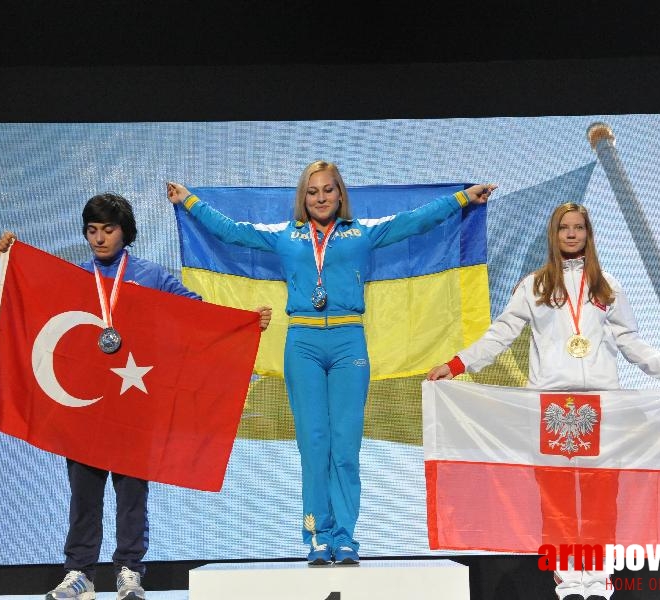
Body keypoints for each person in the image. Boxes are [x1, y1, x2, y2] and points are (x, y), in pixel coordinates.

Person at [167, 161, 497, 565]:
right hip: (302, 342)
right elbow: (232, 232)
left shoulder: (363, 233)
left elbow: (415, 221)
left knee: (344, 447)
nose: (321, 198)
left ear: (340, 194)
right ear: (302, 198)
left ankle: (345, 538)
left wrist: (462, 198)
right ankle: (317, 536)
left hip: (348, 343)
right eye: (312, 191)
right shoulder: (285, 236)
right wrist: (190, 201)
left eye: (328, 190)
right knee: (314, 445)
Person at [427, 201, 660, 600]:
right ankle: (567, 578)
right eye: (565, 227)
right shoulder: (535, 285)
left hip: (601, 406)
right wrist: (457, 365)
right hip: (550, 406)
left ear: (588, 234)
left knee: (601, 495)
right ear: (554, 233)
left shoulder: (607, 285)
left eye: (579, 227)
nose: (572, 234)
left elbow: (631, 343)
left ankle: (598, 578)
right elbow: (501, 334)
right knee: (556, 496)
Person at [0, 193, 271, 600]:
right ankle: (80, 573)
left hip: (135, 403)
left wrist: (244, 324)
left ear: (126, 232)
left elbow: (197, 313)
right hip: (86, 405)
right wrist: (8, 259)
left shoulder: (151, 276)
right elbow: (34, 295)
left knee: (131, 495)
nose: (99, 239)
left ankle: (129, 571)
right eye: (92, 231)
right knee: (83, 495)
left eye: (108, 230)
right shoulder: (74, 277)